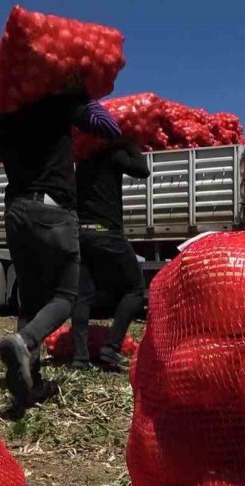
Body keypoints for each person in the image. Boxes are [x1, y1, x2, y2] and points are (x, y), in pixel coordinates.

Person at [0, 82, 121, 416]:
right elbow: (110, 128)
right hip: (54, 212)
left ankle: (28, 383)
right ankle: (25, 342)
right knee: (67, 297)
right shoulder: (60, 102)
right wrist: (83, 96)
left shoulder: (3, 117)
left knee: (30, 300)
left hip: (17, 214)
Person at [70, 139, 151, 371]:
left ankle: (80, 358)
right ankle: (112, 348)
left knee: (82, 297)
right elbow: (142, 170)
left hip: (82, 234)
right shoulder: (112, 154)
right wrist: (130, 141)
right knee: (135, 289)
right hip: (106, 233)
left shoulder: (82, 161)